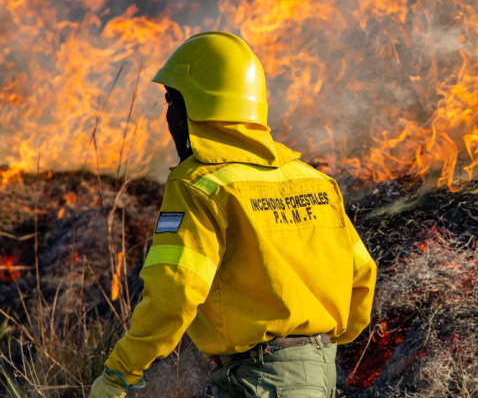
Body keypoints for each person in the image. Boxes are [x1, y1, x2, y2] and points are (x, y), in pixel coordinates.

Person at [89, 31, 377, 398]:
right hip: (322, 375)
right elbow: (362, 276)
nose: (169, 116)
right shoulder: (316, 182)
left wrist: (119, 372)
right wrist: (314, 351)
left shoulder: (199, 185)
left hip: (256, 382)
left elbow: (174, 292)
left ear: (194, 108)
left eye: (172, 102)